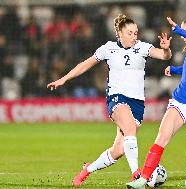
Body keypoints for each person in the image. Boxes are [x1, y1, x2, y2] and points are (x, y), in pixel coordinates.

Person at [47, 14, 172, 187]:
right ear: (119, 33)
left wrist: (166, 50)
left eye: (136, 33)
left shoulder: (142, 47)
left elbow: (163, 56)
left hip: (137, 102)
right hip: (116, 97)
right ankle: (137, 175)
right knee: (129, 129)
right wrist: (64, 79)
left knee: (118, 150)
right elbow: (85, 64)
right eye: (130, 33)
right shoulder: (109, 48)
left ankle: (87, 170)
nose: (134, 36)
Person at [126, 16, 186, 189]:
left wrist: (179, 30)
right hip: (180, 101)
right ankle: (143, 179)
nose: (183, 37)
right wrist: (175, 69)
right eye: (182, 33)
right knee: (161, 137)